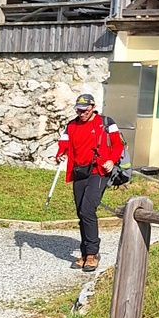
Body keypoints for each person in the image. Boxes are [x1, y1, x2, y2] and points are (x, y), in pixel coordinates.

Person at [57, 93, 124, 271]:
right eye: (78, 110)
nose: (81, 113)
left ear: (92, 108)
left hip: (99, 171)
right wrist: (60, 154)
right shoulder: (71, 125)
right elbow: (63, 144)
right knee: (81, 212)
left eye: (84, 110)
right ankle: (85, 253)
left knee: (87, 210)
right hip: (79, 171)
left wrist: (111, 160)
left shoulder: (107, 123)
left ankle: (92, 254)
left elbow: (118, 145)